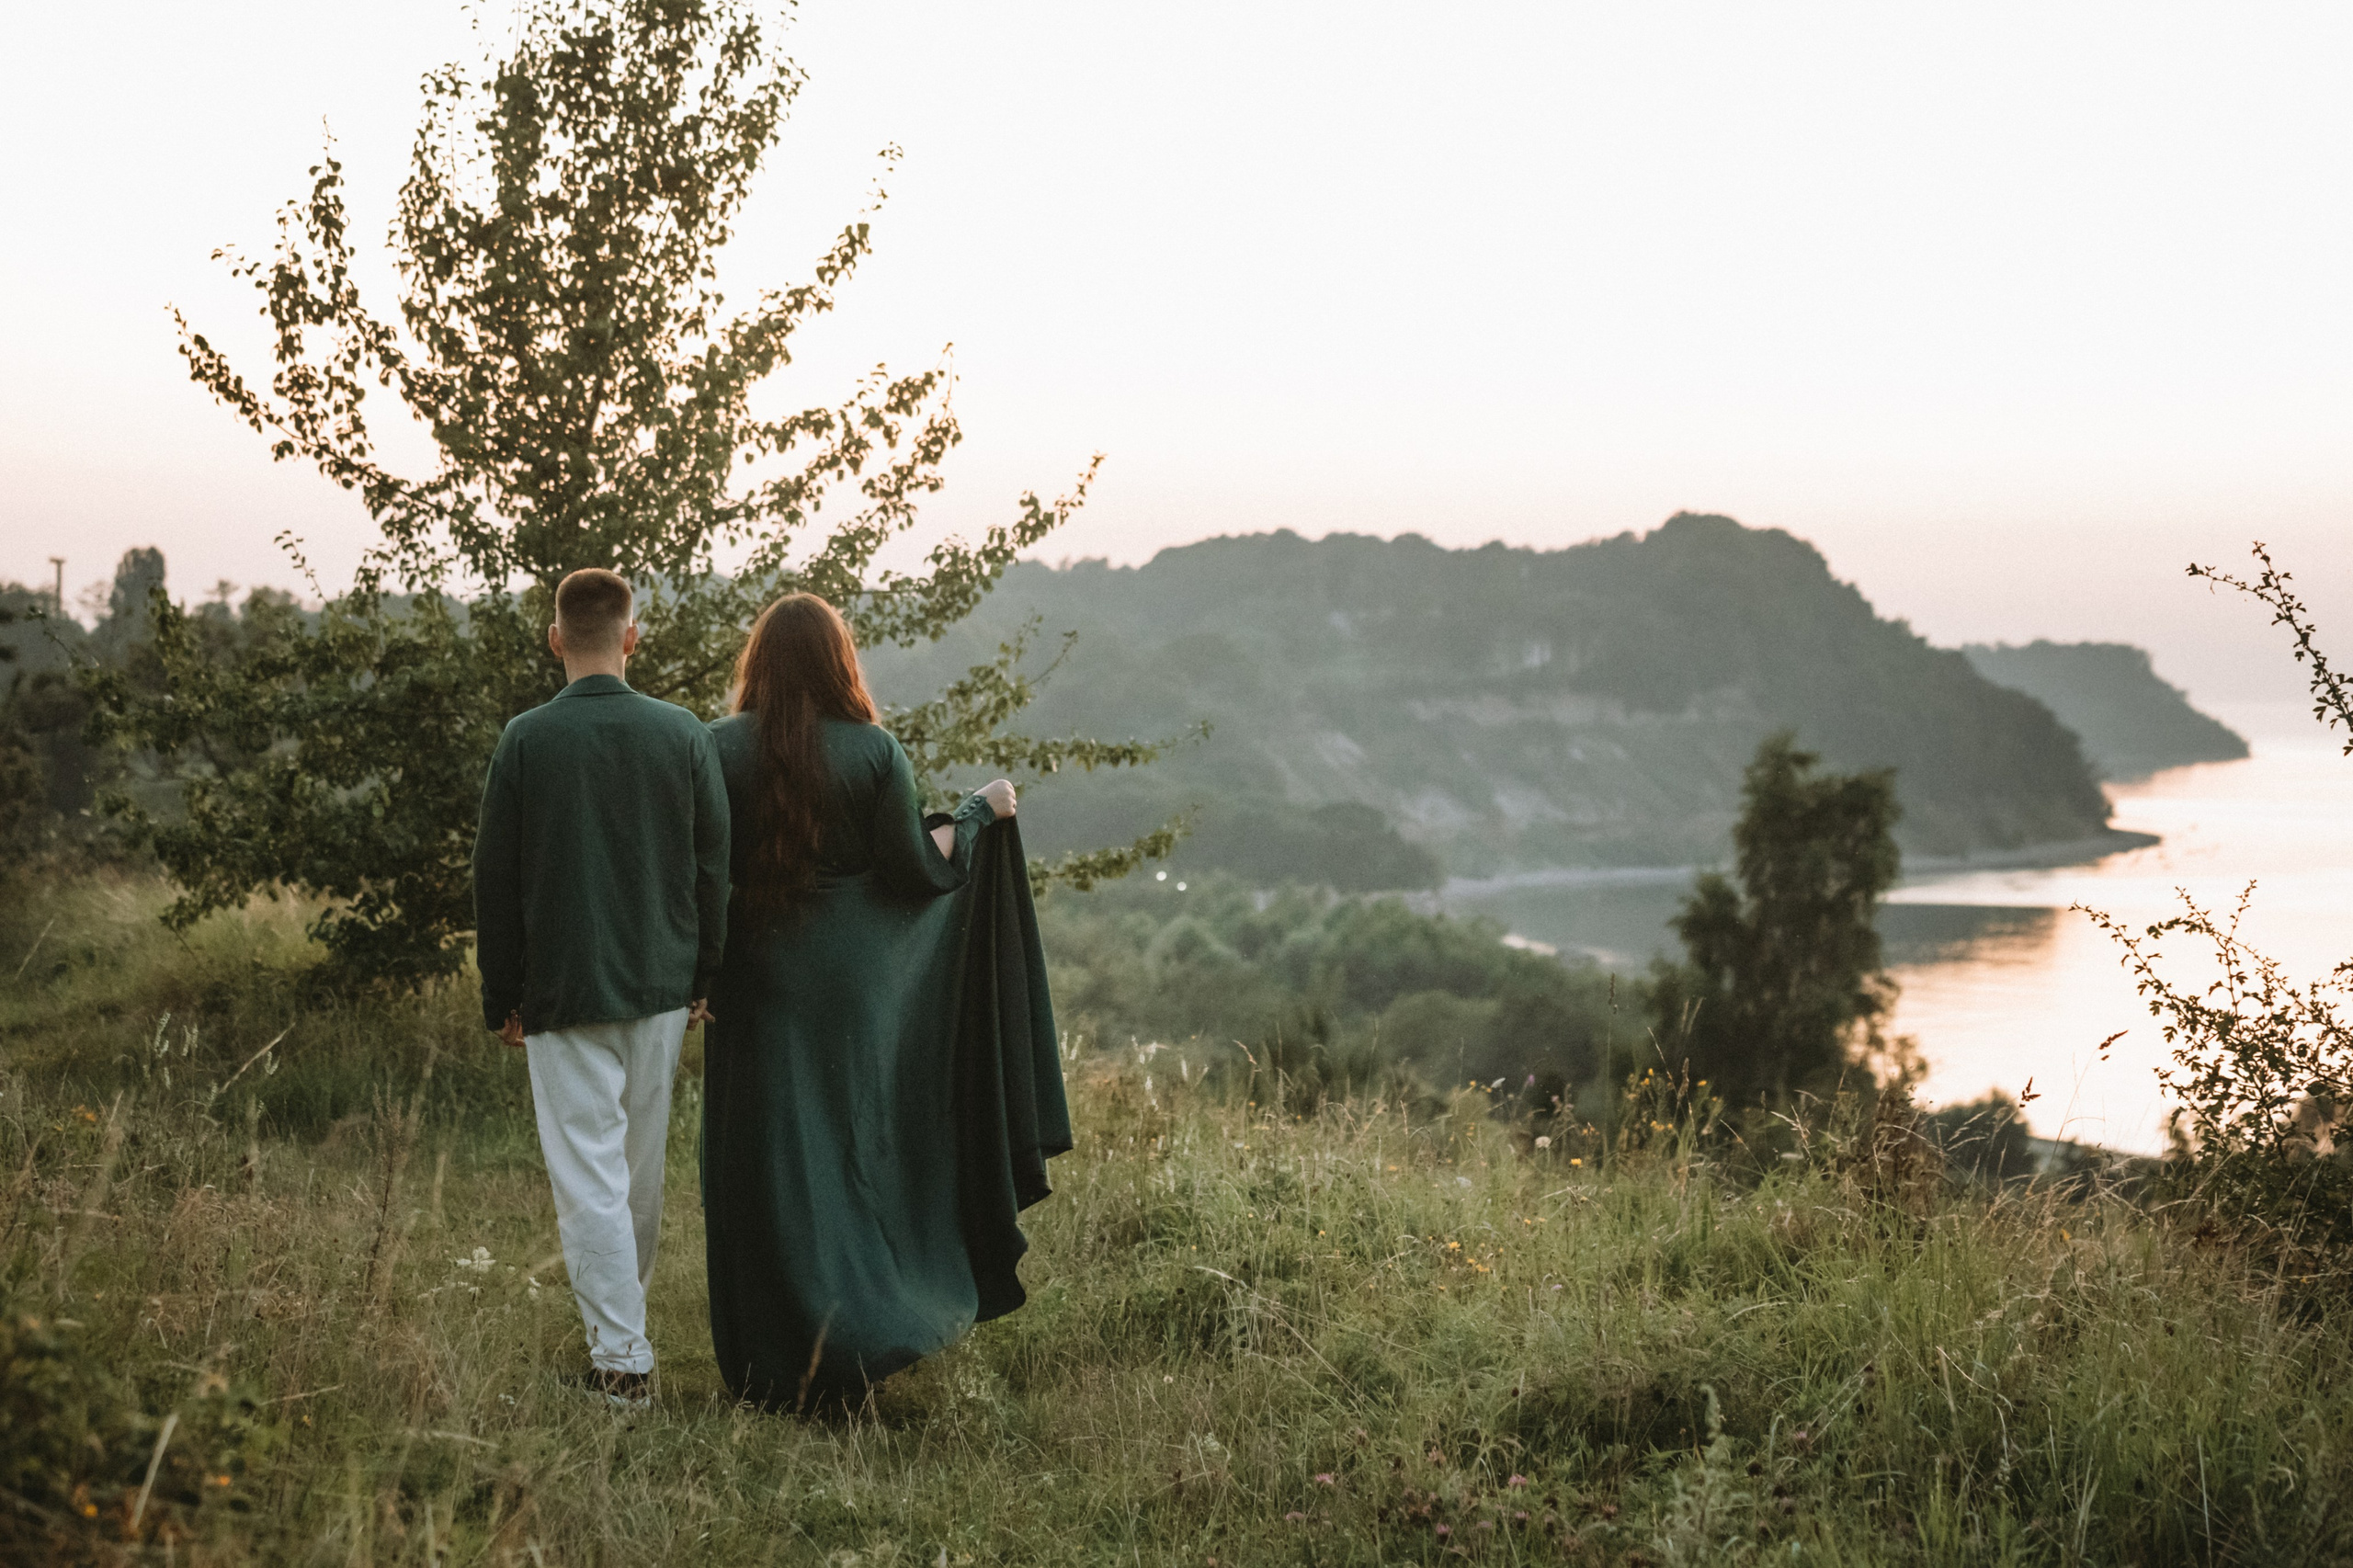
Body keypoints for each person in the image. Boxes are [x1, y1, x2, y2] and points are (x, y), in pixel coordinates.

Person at [701, 592, 1047, 1411]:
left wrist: (696, 975)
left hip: (752, 979)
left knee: (764, 1159)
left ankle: (767, 1364)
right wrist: (976, 811)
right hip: (851, 986)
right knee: (851, 1150)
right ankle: (854, 1341)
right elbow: (915, 869)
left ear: (758, 662)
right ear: (838, 660)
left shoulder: (712, 748)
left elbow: (699, 871)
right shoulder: (873, 753)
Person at [473, 567, 731, 1410]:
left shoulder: (524, 739)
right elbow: (711, 870)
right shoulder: (684, 733)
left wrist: (501, 991)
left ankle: (622, 1364)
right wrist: (706, 976)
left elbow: (495, 880)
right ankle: (622, 1339)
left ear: (555, 640)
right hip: (660, 983)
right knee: (637, 1174)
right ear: (632, 638)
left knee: (590, 1178)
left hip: (561, 987)